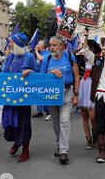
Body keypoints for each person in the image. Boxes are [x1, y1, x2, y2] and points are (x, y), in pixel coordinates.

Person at [0, 33, 38, 162]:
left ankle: (25, 149)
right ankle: (17, 142)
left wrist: (30, 72)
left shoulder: (29, 57)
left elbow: (38, 75)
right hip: (10, 96)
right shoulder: (11, 56)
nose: (9, 44)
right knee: (12, 121)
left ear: (17, 44)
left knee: (23, 123)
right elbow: (3, 69)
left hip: (23, 97)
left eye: (11, 42)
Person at [39, 35, 80, 165]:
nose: (52, 47)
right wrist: (52, 72)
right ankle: (59, 144)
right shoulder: (47, 59)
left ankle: (63, 151)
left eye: (55, 45)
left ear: (62, 46)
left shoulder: (69, 56)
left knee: (64, 121)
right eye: (51, 45)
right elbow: (40, 76)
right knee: (56, 123)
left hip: (67, 91)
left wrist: (76, 94)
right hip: (52, 95)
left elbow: (77, 75)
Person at [76, 32, 99, 150]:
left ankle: (95, 133)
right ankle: (88, 138)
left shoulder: (97, 60)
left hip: (93, 88)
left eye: (91, 47)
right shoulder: (80, 59)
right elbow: (76, 74)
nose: (89, 48)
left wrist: (86, 36)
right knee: (84, 115)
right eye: (88, 46)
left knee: (92, 116)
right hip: (82, 87)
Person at [33, 40, 51, 120]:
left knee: (45, 93)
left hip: (45, 76)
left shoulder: (47, 53)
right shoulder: (37, 54)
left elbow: (42, 59)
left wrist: (36, 52)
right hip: (38, 75)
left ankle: (48, 111)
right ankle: (39, 111)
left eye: (38, 44)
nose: (37, 45)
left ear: (42, 46)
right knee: (38, 93)